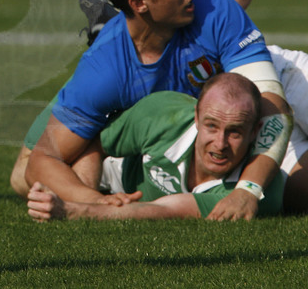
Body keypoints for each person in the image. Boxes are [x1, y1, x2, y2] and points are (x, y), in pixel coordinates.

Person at [12, 0, 293, 221]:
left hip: (250, 92)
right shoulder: (103, 72)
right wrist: (96, 201)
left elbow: (274, 107)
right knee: (23, 177)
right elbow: (42, 160)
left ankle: (111, 22)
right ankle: (109, 28)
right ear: (139, 3)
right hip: (199, 116)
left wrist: (248, 189)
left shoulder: (215, 7)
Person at [27, 73, 285, 221]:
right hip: (105, 166)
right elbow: (92, 142)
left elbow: (165, 209)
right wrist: (89, 197)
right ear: (196, 117)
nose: (220, 144)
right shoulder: (161, 114)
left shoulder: (255, 194)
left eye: (235, 132)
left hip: (117, 194)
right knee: (23, 176)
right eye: (211, 126)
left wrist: (72, 211)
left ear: (255, 131)